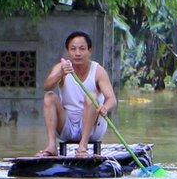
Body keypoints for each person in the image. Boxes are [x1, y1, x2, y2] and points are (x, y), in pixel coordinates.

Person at [36, 30, 117, 158]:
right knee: (49, 97)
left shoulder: (98, 71)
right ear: (68, 52)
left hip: (93, 129)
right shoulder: (61, 67)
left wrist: (105, 108)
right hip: (66, 126)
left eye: (82, 49)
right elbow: (47, 87)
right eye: (73, 49)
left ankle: (82, 147)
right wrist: (61, 73)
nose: (77, 53)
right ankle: (52, 146)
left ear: (89, 51)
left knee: (91, 96)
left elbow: (112, 99)